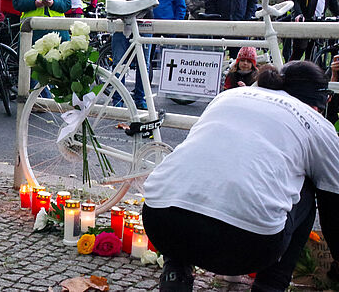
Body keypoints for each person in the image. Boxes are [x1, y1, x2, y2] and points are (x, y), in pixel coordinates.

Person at [142, 61, 339, 292]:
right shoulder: (316, 123)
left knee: (194, 174)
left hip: (160, 221)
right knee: (307, 187)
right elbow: (333, 205)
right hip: (248, 244)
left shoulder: (231, 95)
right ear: (321, 101)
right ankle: (270, 286)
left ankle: (175, 275)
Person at [105, 0, 161, 109]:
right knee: (119, 61)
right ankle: (118, 99)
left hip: (145, 20)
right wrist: (124, 11)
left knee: (143, 63)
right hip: (122, 21)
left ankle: (140, 99)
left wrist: (140, 9)